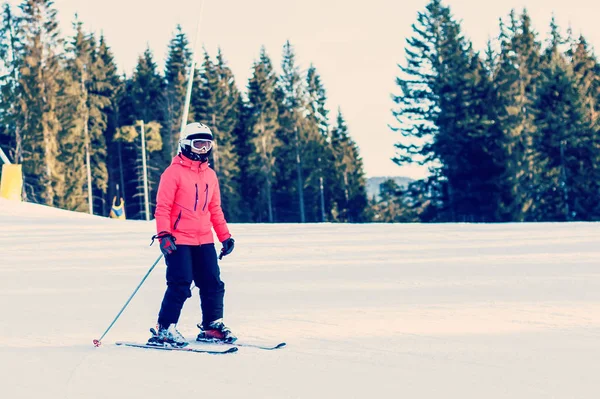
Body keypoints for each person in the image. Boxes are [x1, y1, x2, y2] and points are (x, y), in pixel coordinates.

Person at [147, 122, 236, 347]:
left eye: (207, 145)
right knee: (180, 282)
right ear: (186, 145)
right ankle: (165, 329)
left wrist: (225, 236)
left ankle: (212, 326)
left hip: (204, 237)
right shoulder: (173, 173)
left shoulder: (210, 175)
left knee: (212, 282)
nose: (203, 150)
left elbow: (214, 209)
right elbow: (163, 207)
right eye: (198, 145)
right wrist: (164, 235)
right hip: (178, 238)